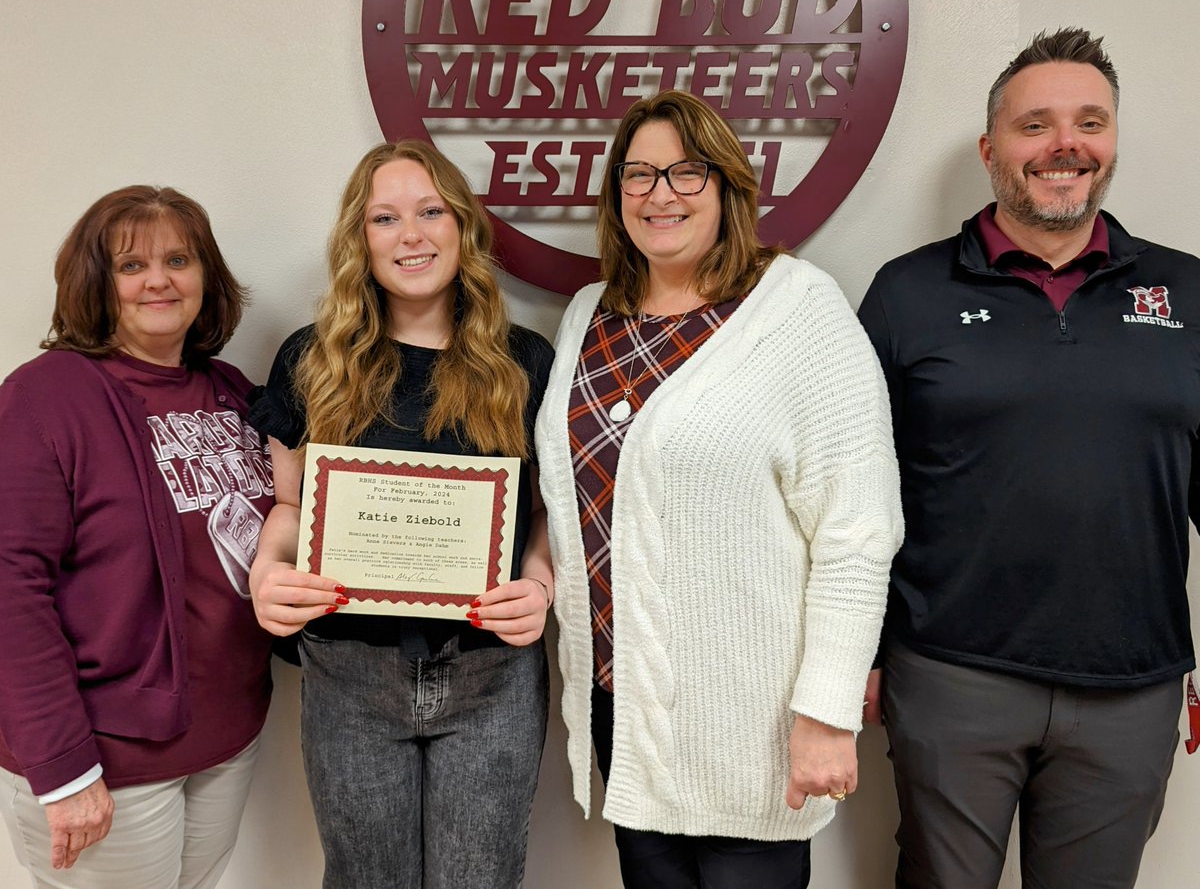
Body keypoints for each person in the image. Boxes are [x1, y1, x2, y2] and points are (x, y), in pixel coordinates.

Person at [534, 89, 903, 888]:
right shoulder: (589, 315)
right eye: (638, 174)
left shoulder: (799, 310)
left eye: (686, 171)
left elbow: (857, 531)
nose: (659, 193)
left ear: (729, 183)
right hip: (626, 710)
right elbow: (571, 503)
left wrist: (827, 710)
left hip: (754, 726)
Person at [858, 27, 1198, 889]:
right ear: (990, 149)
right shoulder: (907, 293)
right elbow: (856, 496)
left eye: (1090, 122)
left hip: (1131, 686)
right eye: (1035, 125)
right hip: (949, 673)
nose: (1065, 145)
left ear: (1112, 142)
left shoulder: (1190, 294)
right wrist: (857, 654)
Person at [248, 140, 554, 889]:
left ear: (463, 227)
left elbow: (547, 510)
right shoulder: (312, 358)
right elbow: (289, 505)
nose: (410, 235)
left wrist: (540, 582)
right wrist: (266, 571)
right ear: (360, 238)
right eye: (385, 218)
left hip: (491, 672)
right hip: (348, 673)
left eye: (430, 211)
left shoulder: (524, 361)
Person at [0, 186, 275, 888]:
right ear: (97, 282)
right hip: (106, 758)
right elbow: (9, 588)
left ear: (205, 276)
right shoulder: (46, 394)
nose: (159, 280)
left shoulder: (233, 391)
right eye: (131, 265)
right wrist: (63, 770)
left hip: (226, 736)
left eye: (178, 259)